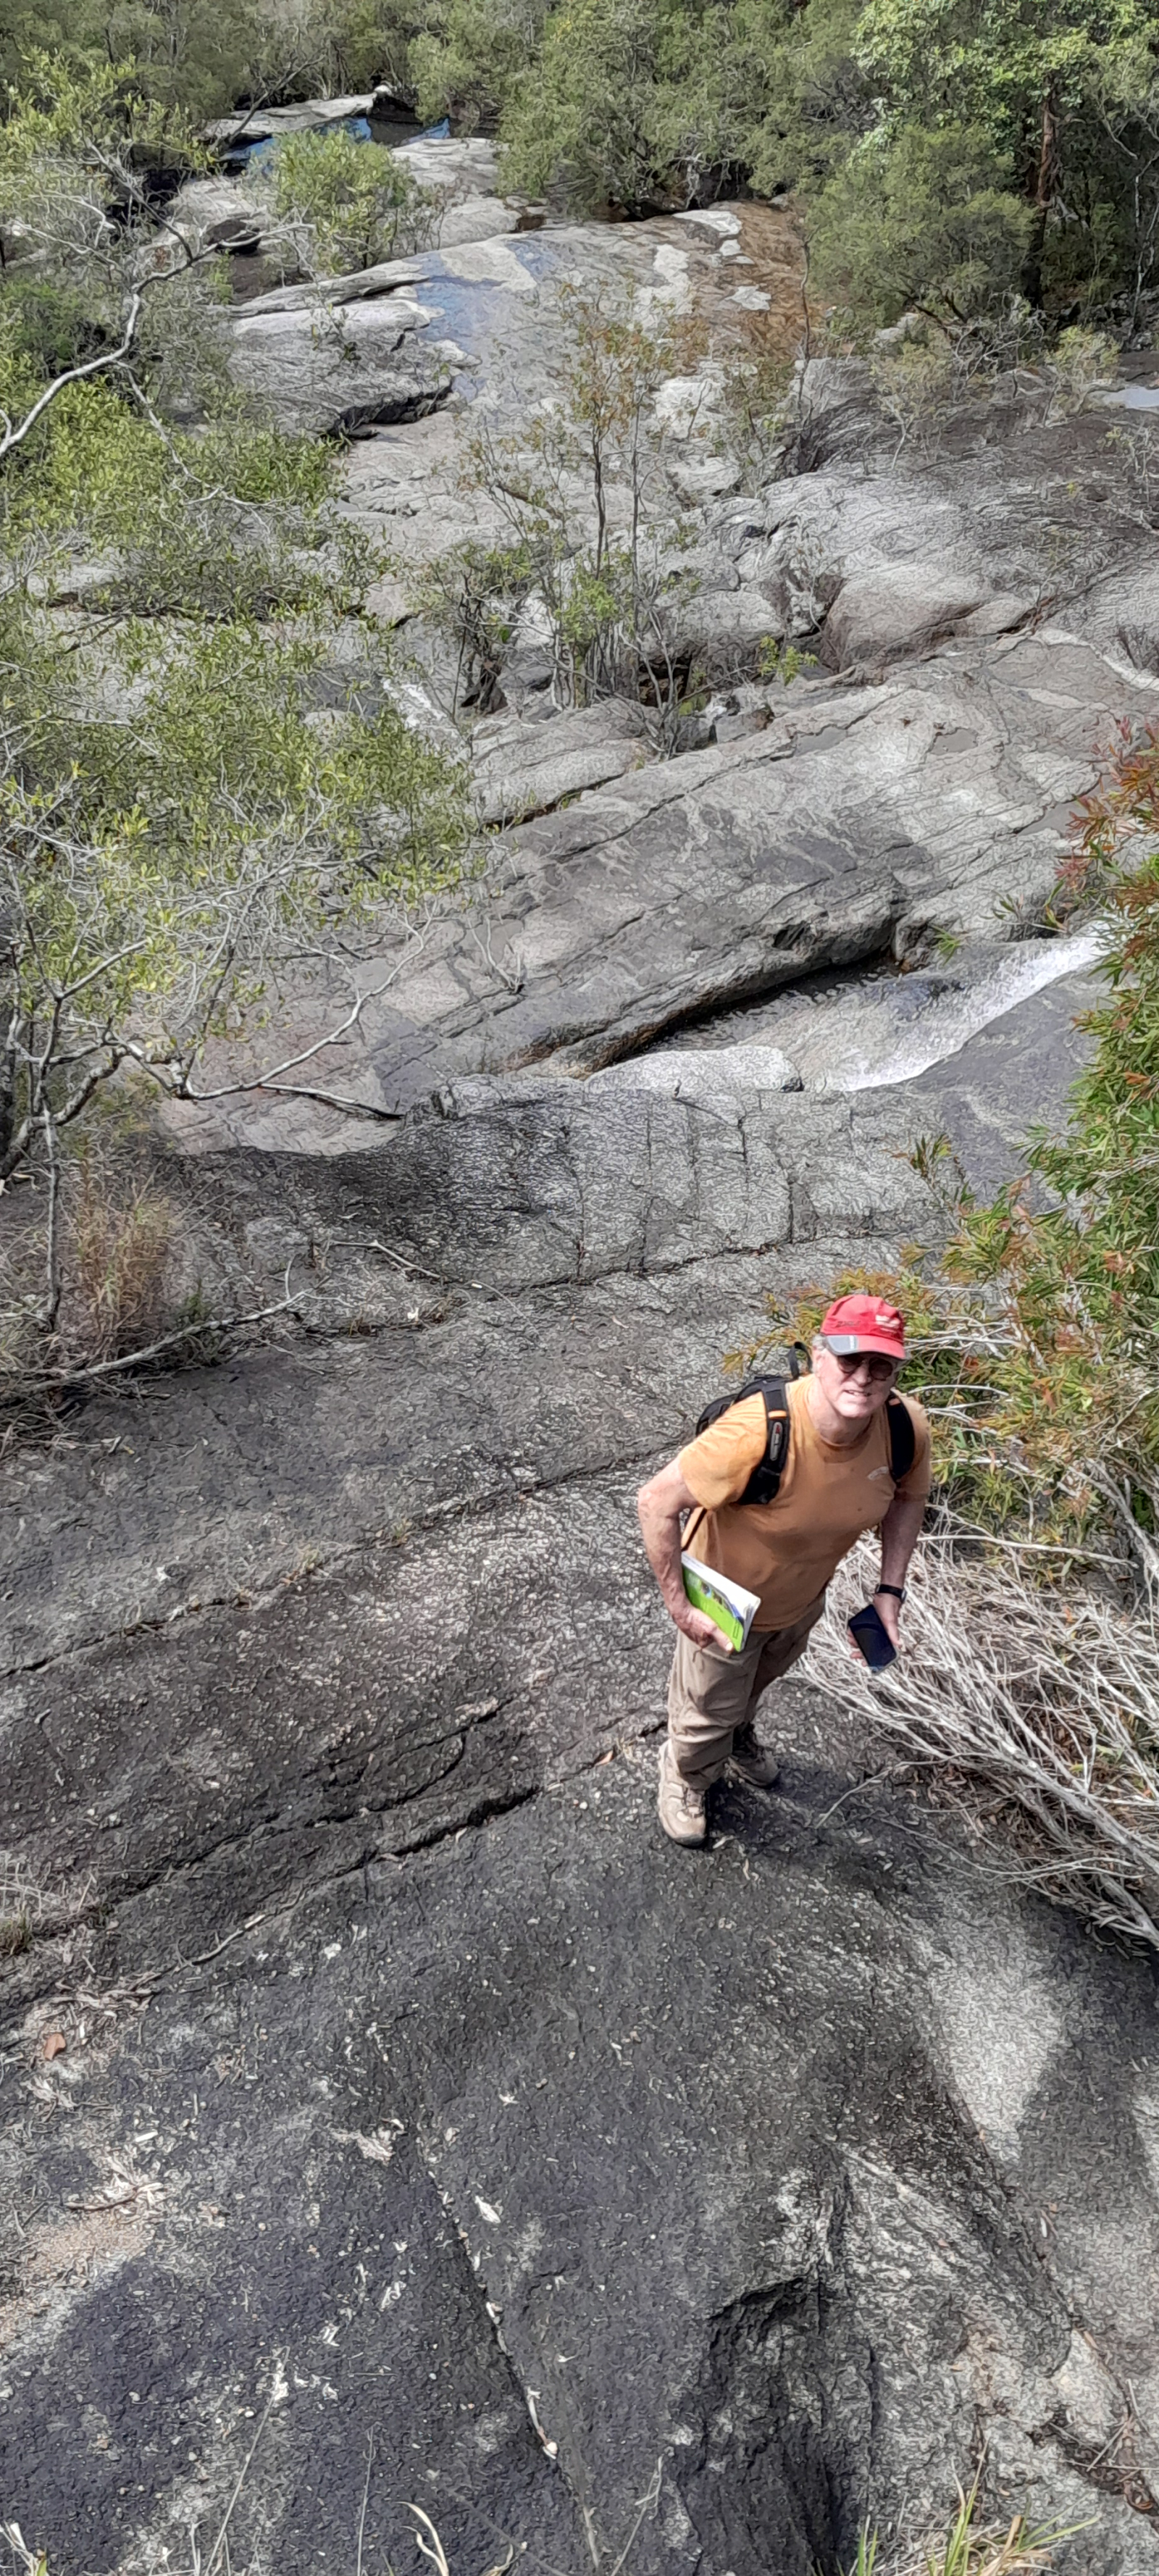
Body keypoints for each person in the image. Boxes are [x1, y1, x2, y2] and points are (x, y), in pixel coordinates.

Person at [637, 1294, 931, 1847]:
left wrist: (890, 1590)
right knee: (707, 1707)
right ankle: (686, 1772)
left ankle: (736, 1735)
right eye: (849, 1360)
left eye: (881, 1366)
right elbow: (655, 1501)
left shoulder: (903, 1428)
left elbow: (909, 1498)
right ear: (818, 1356)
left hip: (800, 1599)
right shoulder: (757, 1432)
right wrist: (678, 1603)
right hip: (723, 1600)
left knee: (760, 1681)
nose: (864, 1379)